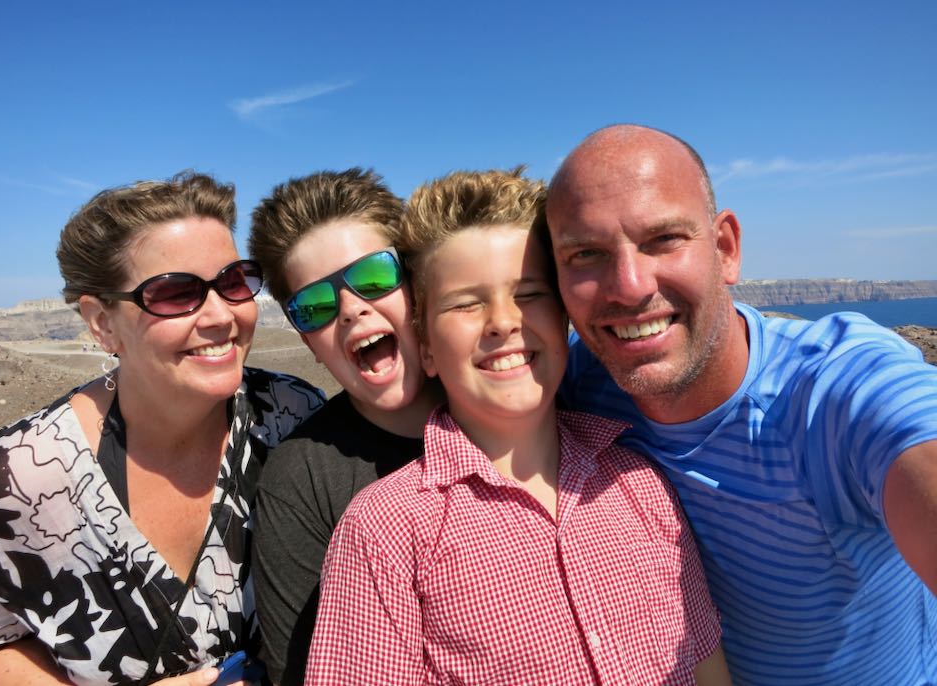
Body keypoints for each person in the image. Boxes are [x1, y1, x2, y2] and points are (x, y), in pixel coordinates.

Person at [545, 124, 937, 685]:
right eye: (586, 253)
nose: (628, 286)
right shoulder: (581, 383)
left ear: (726, 248)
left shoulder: (830, 394)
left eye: (663, 240)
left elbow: (911, 434)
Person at [305, 169, 730, 685]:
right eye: (465, 302)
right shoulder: (385, 532)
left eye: (528, 294)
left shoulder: (640, 484)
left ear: (564, 320)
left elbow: (707, 665)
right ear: (427, 348)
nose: (503, 321)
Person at [0, 172, 325, 685]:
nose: (220, 316)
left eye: (233, 282)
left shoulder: (291, 417)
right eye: (175, 292)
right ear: (102, 323)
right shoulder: (22, 478)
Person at [247, 168, 443, 684]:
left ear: (417, 283)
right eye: (315, 306)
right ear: (307, 340)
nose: (353, 310)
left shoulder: (517, 409)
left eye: (374, 276)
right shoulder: (300, 485)